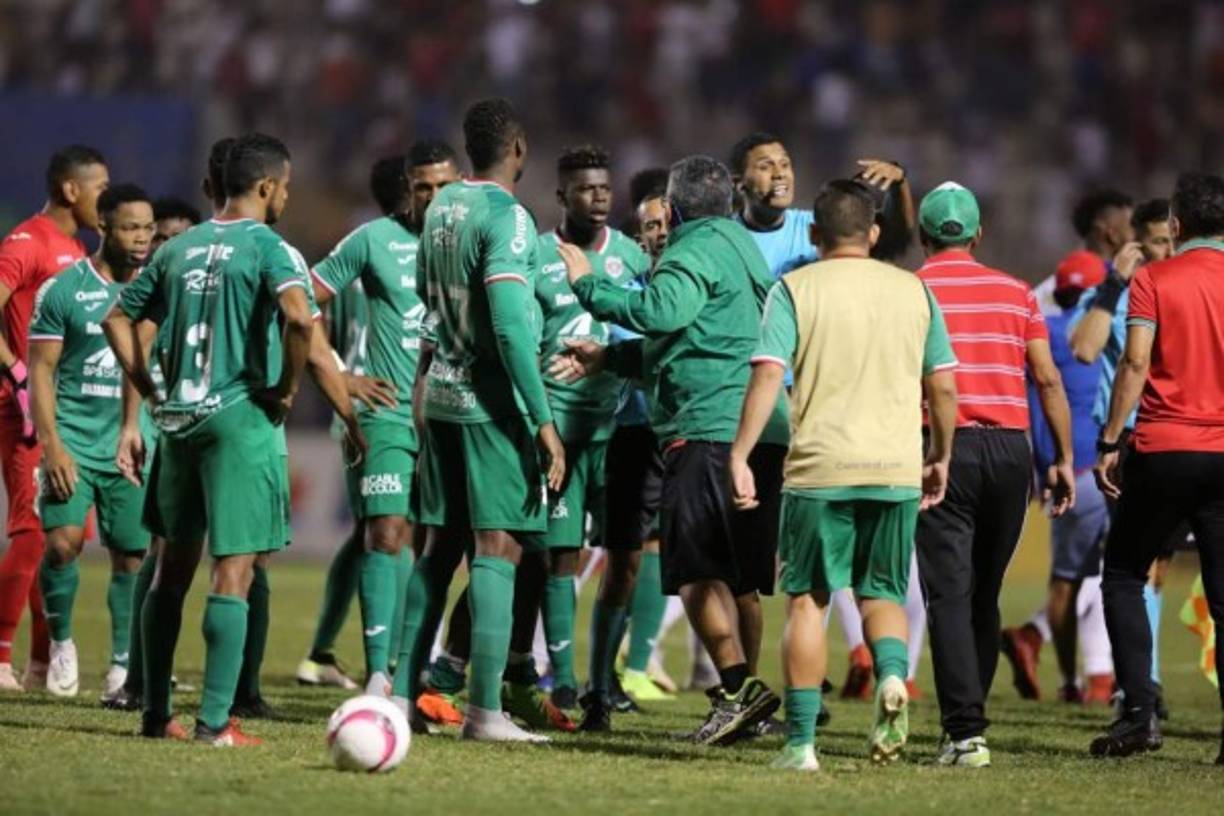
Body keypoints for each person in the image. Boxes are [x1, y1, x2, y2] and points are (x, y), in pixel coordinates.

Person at [552, 155, 788, 743]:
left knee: (691, 570)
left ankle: (737, 689)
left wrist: (587, 284)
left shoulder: (690, 249)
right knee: (738, 578)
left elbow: (662, 313)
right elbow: (696, 336)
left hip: (705, 426)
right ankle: (741, 697)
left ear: (677, 210)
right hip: (754, 426)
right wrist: (612, 357)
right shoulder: (741, 246)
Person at [729, 178, 958, 771]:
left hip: (820, 468)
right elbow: (943, 384)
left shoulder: (794, 289)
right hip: (895, 467)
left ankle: (801, 744)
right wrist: (940, 455)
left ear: (814, 233)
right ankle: (890, 677)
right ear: (875, 232)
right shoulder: (913, 290)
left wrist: (741, 453)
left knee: (808, 602)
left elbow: (766, 376)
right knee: (881, 593)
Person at [103, 132, 318, 745]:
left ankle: (152, 713)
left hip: (179, 419)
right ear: (267, 187)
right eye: (286, 187)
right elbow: (301, 318)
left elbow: (117, 315)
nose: (286, 196)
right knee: (234, 573)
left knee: (171, 569)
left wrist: (147, 386)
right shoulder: (269, 247)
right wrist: (283, 387)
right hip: (236, 418)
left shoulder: (180, 248)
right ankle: (216, 723)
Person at [388, 98, 565, 743]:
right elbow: (512, 327)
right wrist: (542, 422)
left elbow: (426, 299)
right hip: (491, 405)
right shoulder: (507, 217)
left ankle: (404, 697)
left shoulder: (440, 208)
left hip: (442, 396)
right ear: (518, 148)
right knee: (499, 548)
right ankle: (486, 712)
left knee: (438, 552)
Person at [915, 181, 1075, 768]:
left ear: (924, 236)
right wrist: (1059, 458)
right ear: (978, 234)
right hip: (1012, 452)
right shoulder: (1016, 293)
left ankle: (964, 733)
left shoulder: (913, 290)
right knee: (984, 594)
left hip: (942, 447)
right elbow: (1047, 378)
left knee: (949, 594)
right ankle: (969, 722)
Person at [309, 142, 461, 698]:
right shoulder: (374, 240)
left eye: (445, 187)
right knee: (384, 533)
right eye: (424, 188)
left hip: (456, 415)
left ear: (460, 183)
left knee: (435, 545)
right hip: (388, 411)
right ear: (409, 188)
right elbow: (302, 300)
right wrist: (341, 375)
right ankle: (378, 674)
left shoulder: (479, 239)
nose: (435, 197)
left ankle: (413, 664)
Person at [1089, 172, 1224, 765]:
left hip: (1165, 448)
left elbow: (1135, 361)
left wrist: (1111, 438)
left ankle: (1140, 715)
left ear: (1177, 225)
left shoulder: (1153, 279)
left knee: (1122, 574)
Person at [531, 145, 651, 719]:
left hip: (622, 428)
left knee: (625, 559)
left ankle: (604, 684)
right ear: (562, 195)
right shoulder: (534, 256)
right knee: (562, 555)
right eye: (585, 189)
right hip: (561, 430)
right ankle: (564, 680)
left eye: (605, 188)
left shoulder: (630, 256)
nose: (599, 197)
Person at [28, 184, 155, 704]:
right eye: (131, 227)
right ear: (102, 226)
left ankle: (122, 667)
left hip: (134, 444)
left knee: (131, 556)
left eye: (148, 227)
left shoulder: (158, 289)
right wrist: (51, 444)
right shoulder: (63, 290)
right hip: (74, 441)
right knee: (62, 544)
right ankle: (61, 643)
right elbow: (41, 371)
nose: (143, 238)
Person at [297, 154, 416, 693]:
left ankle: (329, 650)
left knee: (376, 533)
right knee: (386, 532)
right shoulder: (366, 255)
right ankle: (381, 663)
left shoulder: (443, 254)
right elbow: (308, 315)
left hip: (420, 413)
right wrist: (344, 377)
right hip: (370, 413)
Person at [0, 145, 109, 693]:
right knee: (29, 530)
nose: (106, 199)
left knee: (63, 538)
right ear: (71, 189)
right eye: (100, 188)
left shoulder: (75, 250)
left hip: (68, 416)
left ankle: (42, 663)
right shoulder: (28, 240)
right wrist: (17, 371)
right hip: (22, 408)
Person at [1065, 198, 1179, 717]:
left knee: (1154, 569)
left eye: (1171, 238)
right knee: (1140, 566)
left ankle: (1142, 687)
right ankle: (1142, 687)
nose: (1167, 249)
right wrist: (1113, 283)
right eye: (1156, 240)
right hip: (1132, 443)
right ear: (1137, 243)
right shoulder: (1121, 293)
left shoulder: (1189, 289)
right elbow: (1085, 349)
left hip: (1182, 437)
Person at [1001, 251, 1114, 704]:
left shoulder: (1043, 333)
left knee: (1069, 578)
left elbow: (1035, 398)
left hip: (1065, 470)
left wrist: (1043, 465)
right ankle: (1120, 681)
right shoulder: (1113, 331)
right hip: (1111, 466)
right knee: (1127, 578)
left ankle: (1072, 679)